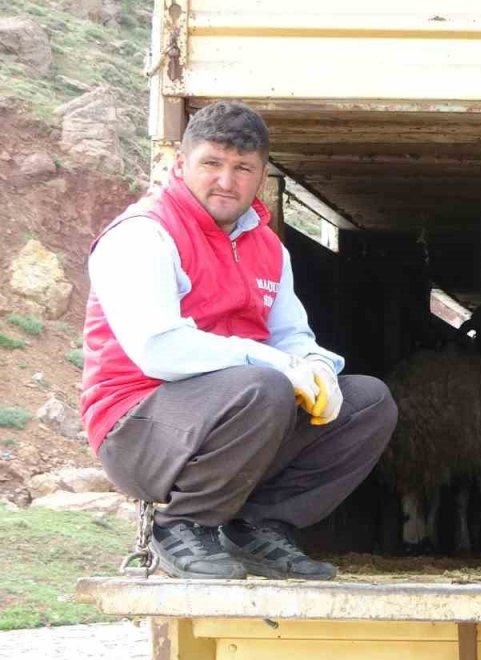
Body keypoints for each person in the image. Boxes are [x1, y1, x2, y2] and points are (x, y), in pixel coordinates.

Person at [80, 101, 397, 580]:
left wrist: (314, 365)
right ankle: (180, 525)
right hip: (138, 427)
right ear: (181, 163)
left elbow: (292, 335)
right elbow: (158, 349)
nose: (226, 181)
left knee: (369, 401)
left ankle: (258, 527)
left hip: (237, 416)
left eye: (242, 168)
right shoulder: (143, 234)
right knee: (264, 385)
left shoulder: (268, 246)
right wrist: (277, 366)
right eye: (212, 163)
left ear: (261, 174)